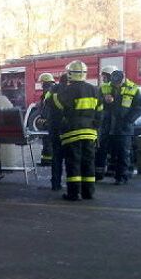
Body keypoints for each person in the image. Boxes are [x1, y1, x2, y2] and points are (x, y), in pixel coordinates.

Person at [54, 60, 103, 201]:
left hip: (72, 133)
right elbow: (100, 113)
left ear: (70, 74)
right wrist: (95, 127)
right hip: (90, 133)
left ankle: (73, 193)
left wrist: (55, 93)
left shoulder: (68, 90)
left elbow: (58, 106)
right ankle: (88, 192)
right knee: (88, 163)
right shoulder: (95, 90)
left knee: (73, 163)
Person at [95, 70, 141, 185]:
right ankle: (97, 175)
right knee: (100, 151)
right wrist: (104, 100)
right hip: (106, 127)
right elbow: (95, 103)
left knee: (123, 153)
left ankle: (121, 177)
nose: (116, 85)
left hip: (123, 128)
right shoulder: (104, 88)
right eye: (114, 84)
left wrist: (129, 119)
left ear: (123, 80)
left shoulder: (133, 89)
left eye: (118, 83)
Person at [40, 73, 68, 190]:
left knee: (56, 156)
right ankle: (73, 186)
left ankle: (55, 184)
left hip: (54, 127)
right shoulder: (71, 91)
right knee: (71, 157)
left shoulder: (51, 91)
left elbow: (46, 106)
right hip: (68, 128)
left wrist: (45, 119)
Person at [94, 65, 118, 180]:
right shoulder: (104, 88)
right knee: (107, 148)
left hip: (107, 122)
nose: (103, 79)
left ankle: (102, 172)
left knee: (104, 148)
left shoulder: (116, 88)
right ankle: (105, 171)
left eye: (104, 76)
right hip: (108, 122)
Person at [37, 73, 57, 166]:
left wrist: (46, 120)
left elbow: (49, 108)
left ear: (45, 82)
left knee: (48, 141)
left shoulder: (49, 91)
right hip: (49, 120)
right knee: (47, 140)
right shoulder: (51, 90)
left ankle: (48, 161)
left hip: (50, 121)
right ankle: (46, 160)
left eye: (42, 83)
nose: (41, 85)